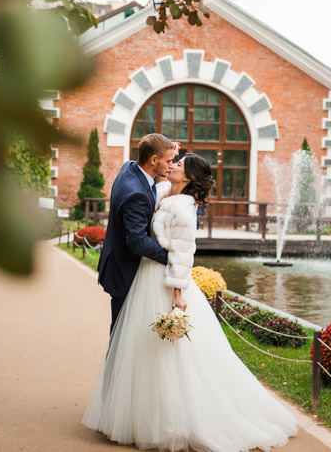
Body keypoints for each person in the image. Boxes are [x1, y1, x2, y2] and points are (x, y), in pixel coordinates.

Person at [83, 153, 298, 452]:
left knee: (168, 356)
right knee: (140, 350)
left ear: (187, 178)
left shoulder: (185, 210)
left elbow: (184, 254)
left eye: (179, 164)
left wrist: (178, 293)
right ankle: (137, 414)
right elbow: (150, 179)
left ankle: (172, 421)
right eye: (173, 161)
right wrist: (164, 155)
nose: (173, 165)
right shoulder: (164, 192)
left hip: (165, 280)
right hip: (145, 277)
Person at [97, 133, 177, 334]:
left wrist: (168, 149)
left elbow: (151, 150)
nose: (171, 165)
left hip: (117, 262)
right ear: (153, 160)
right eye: (168, 161)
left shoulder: (129, 167)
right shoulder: (136, 194)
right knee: (121, 336)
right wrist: (171, 257)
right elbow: (137, 241)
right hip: (124, 272)